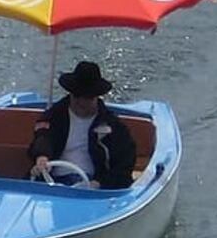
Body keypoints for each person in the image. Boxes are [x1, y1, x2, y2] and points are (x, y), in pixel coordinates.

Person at [28, 61, 136, 189]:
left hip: (92, 186)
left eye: (88, 97)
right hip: (52, 182)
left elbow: (124, 165)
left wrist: (99, 184)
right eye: (77, 95)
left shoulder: (114, 127)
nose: (81, 102)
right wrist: (42, 157)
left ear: (96, 97)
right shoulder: (53, 116)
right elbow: (43, 137)